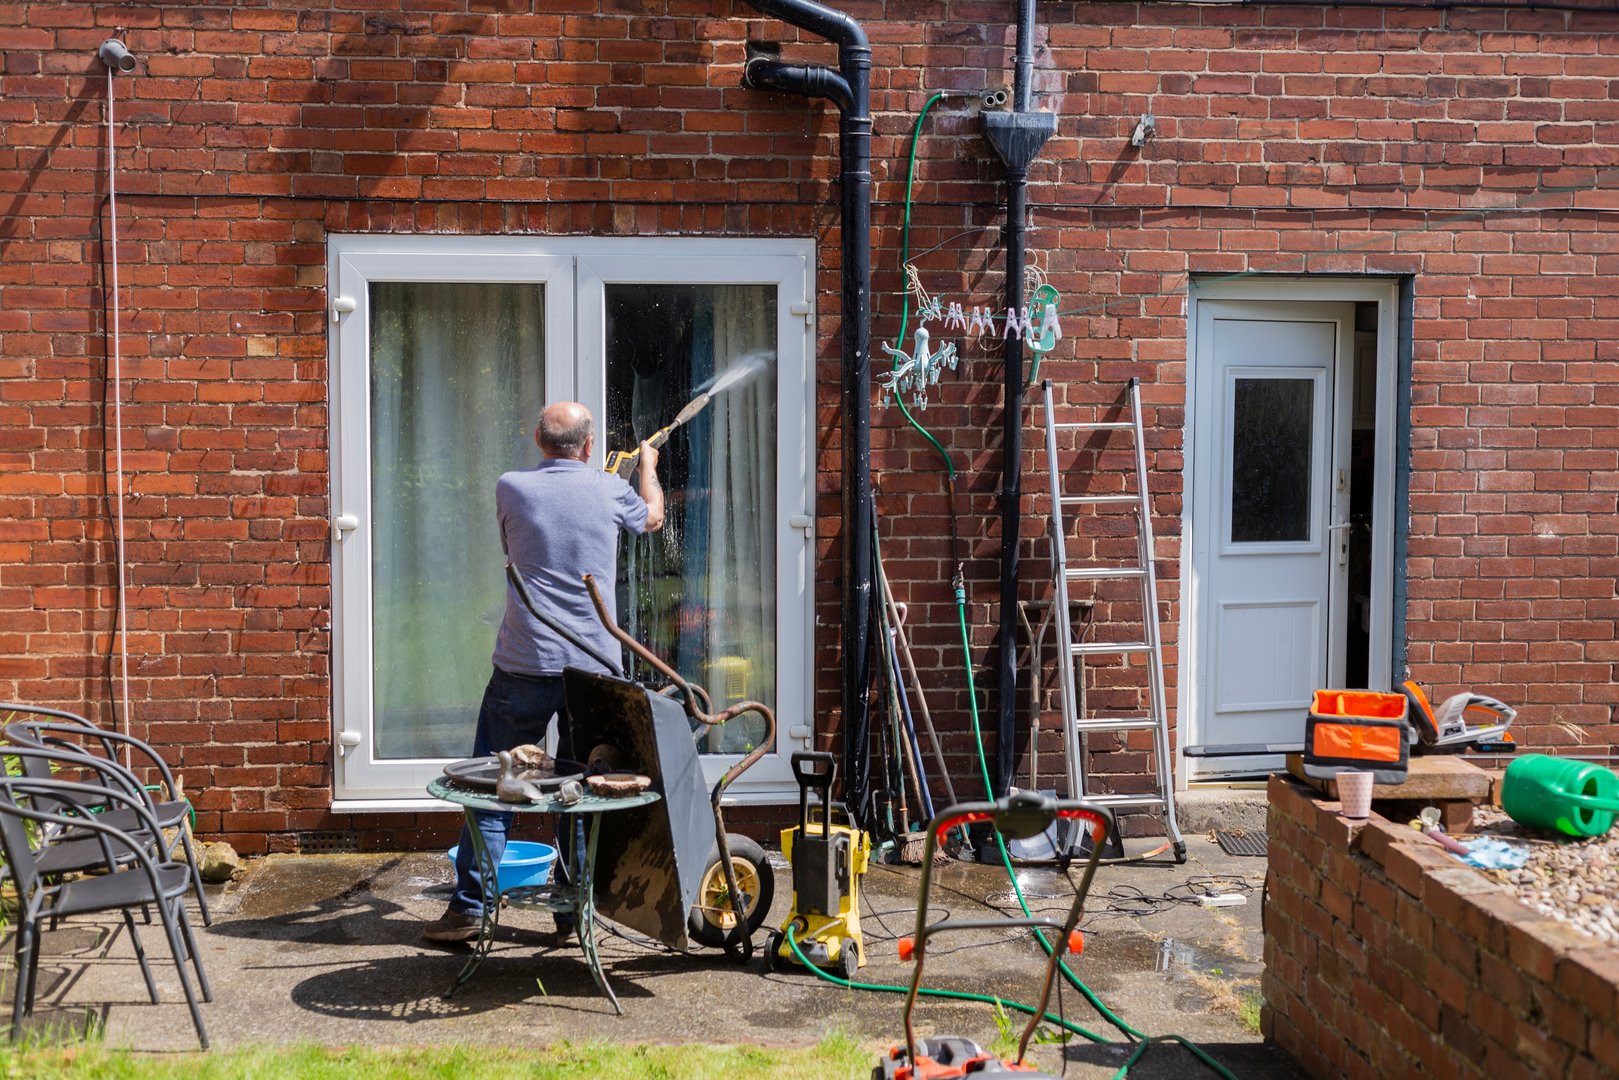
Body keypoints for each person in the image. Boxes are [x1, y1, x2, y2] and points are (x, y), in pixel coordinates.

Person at [423, 401, 664, 943]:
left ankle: (467, 909)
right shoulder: (608, 491)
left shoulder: (511, 487)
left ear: (537, 439)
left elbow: (518, 549)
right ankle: (570, 914)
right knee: (579, 789)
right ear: (588, 446)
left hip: (522, 665)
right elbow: (652, 518)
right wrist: (646, 465)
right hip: (592, 672)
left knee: (493, 784)